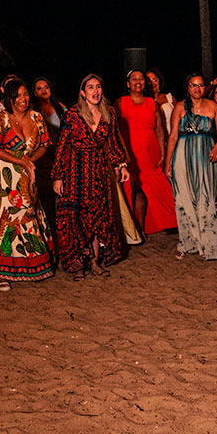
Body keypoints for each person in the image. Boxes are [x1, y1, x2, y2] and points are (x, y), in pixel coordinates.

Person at [52, 74, 130, 280]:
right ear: (82, 92)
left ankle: (95, 262)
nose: (95, 91)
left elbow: (113, 142)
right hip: (75, 172)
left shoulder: (109, 112)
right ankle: (77, 265)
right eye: (90, 87)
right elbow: (62, 147)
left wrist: (121, 165)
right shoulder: (73, 115)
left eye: (98, 87)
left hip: (99, 172)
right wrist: (58, 177)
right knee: (76, 220)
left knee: (98, 217)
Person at [0, 79, 56, 291]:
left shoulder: (36, 117)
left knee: (29, 214)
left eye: (25, 94)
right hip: (5, 178)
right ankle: (1, 273)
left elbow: (44, 145)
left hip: (27, 175)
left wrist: (30, 161)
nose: (22, 99)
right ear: (9, 98)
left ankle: (32, 263)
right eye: (18, 96)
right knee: (5, 222)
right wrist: (20, 161)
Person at [164, 74, 217, 260]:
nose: (197, 89)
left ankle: (210, 242)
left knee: (208, 196)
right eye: (193, 86)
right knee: (185, 197)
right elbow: (172, 137)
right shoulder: (179, 107)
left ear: (205, 87)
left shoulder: (213, 107)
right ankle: (188, 242)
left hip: (207, 156)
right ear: (188, 88)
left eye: (200, 85)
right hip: (183, 157)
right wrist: (168, 162)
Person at [117, 70, 178, 234]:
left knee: (155, 186)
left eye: (141, 79)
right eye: (134, 79)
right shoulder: (120, 103)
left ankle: (161, 223)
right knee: (134, 188)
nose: (138, 82)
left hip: (150, 151)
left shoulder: (153, 103)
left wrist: (163, 154)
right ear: (128, 84)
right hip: (130, 151)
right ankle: (136, 228)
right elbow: (115, 131)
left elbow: (160, 131)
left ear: (145, 84)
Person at [31, 76, 66, 227]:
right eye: (39, 88)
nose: (43, 91)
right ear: (34, 93)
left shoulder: (60, 108)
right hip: (43, 158)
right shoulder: (32, 111)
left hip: (60, 155)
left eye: (46, 87)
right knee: (46, 197)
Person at [146, 68, 177, 134]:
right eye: (149, 81)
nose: (153, 83)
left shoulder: (170, 98)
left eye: (155, 80)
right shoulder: (144, 102)